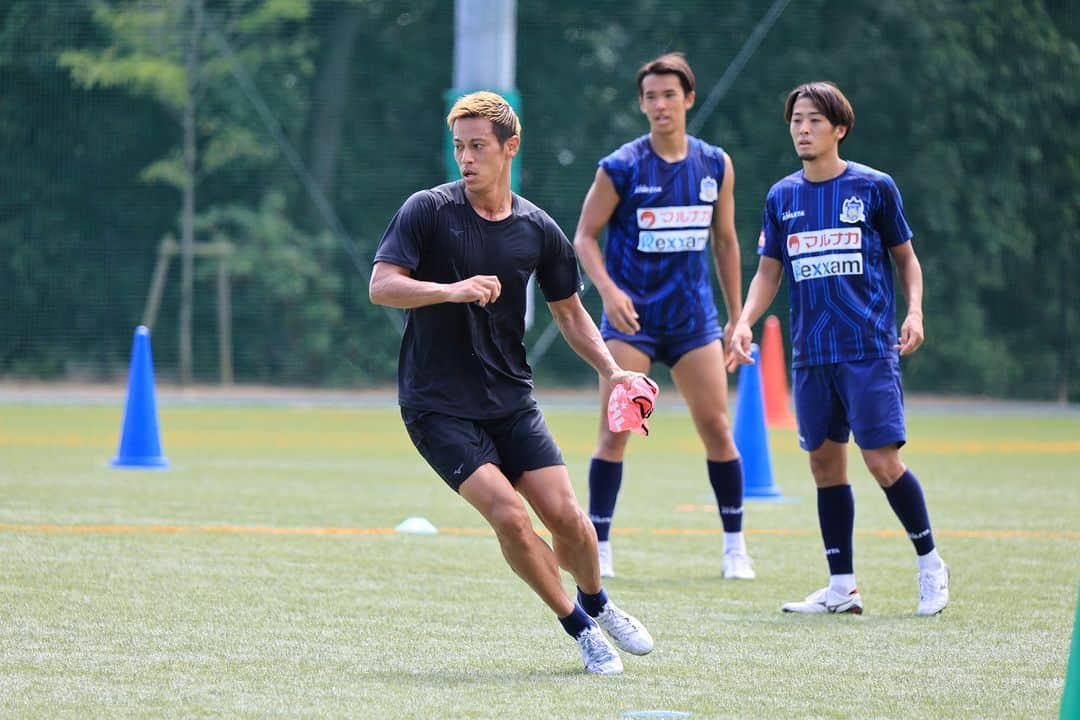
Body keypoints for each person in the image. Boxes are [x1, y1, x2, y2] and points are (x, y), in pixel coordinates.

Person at [369, 91, 654, 674]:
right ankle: (580, 628)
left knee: (570, 520)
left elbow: (571, 313)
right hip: (437, 407)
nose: (466, 159)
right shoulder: (426, 210)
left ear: (509, 148)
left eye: (477, 147)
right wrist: (449, 290)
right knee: (509, 516)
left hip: (511, 401)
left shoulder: (537, 229)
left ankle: (599, 602)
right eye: (459, 147)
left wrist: (613, 370)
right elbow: (382, 285)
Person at [728, 81, 950, 616]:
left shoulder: (874, 188)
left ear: (839, 129)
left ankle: (930, 564)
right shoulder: (783, 197)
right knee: (825, 468)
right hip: (811, 354)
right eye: (796, 121)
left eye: (813, 121)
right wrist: (743, 321)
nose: (802, 130)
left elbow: (907, 261)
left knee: (881, 462)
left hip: (867, 350)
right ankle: (842, 587)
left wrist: (914, 311)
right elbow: (768, 272)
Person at [573, 53, 754, 580]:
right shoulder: (622, 166)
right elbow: (584, 236)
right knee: (617, 431)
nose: (659, 105)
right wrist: (607, 291)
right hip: (633, 324)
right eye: (650, 96)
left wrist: (735, 316)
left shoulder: (714, 163)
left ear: (688, 99)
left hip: (694, 322)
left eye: (669, 95)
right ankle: (599, 546)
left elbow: (725, 241)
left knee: (717, 428)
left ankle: (734, 547)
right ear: (642, 104)